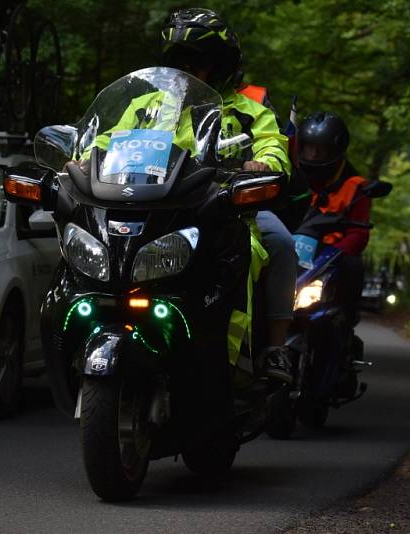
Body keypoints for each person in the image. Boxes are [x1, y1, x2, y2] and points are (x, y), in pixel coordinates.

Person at [161, 8, 297, 383]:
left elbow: (274, 147)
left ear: (219, 67)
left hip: (227, 209)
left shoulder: (251, 112)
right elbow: (107, 138)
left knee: (280, 243)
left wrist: (264, 164)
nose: (188, 71)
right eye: (181, 61)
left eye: (197, 63)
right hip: (155, 208)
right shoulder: (150, 107)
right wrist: (86, 155)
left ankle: (270, 350)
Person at [295, 111, 370, 325]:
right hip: (293, 246)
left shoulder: (356, 186)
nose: (314, 154)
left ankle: (346, 322)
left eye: (321, 149)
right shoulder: (292, 177)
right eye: (310, 147)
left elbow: (359, 234)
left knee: (354, 266)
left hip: (330, 254)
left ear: (335, 150)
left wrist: (335, 254)